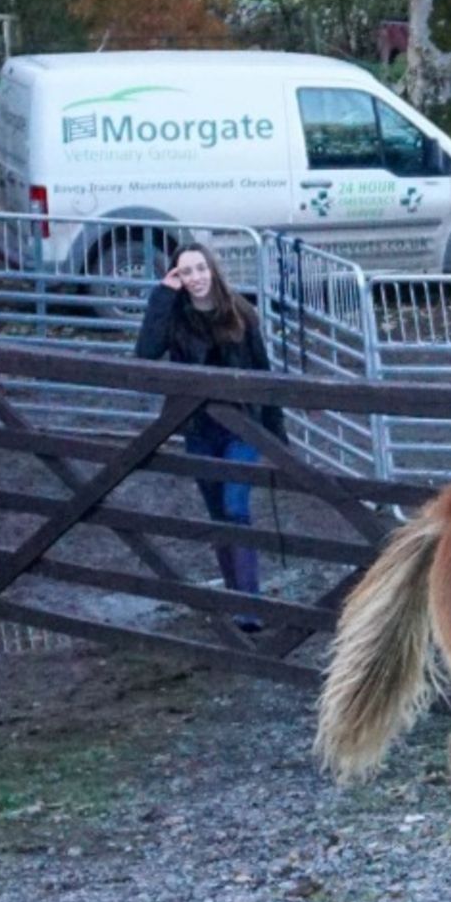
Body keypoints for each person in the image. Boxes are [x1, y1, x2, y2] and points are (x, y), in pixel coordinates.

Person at [133, 242, 284, 634]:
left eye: (201, 268)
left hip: (241, 428)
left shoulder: (240, 312)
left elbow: (264, 373)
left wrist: (276, 437)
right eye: (186, 272)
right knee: (218, 513)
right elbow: (145, 353)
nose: (196, 277)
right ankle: (235, 598)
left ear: (212, 270)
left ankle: (249, 605)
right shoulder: (175, 317)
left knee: (235, 506)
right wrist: (162, 296)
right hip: (199, 430)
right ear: (178, 278)